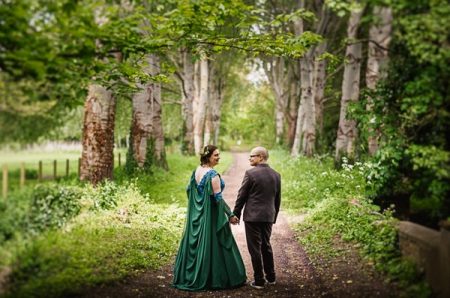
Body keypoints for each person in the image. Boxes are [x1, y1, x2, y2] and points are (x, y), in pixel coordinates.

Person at [173, 145, 246, 291]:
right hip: (210, 217)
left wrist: (198, 208)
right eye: (216, 155)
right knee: (216, 244)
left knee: (197, 244)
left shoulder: (196, 171)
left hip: (197, 216)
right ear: (208, 157)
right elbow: (218, 200)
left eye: (219, 155)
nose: (218, 158)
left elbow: (190, 191)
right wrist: (230, 214)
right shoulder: (213, 175)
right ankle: (214, 279)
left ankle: (192, 275)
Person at [231, 146, 281, 290]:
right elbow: (277, 199)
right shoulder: (276, 175)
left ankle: (259, 280)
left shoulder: (251, 174)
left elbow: (242, 196)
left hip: (252, 217)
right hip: (268, 216)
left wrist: (236, 213)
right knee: (266, 245)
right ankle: (271, 277)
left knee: (255, 249)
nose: (250, 158)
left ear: (260, 157)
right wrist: (273, 216)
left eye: (252, 156)